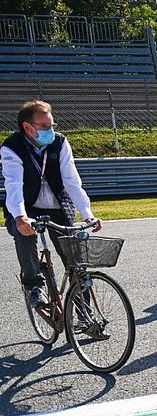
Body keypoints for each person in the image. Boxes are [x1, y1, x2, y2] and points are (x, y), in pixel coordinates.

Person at [2, 100, 102, 307]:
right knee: (24, 234)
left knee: (74, 259)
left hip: (58, 205)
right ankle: (34, 286)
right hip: (26, 207)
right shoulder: (12, 147)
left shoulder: (60, 142)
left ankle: (84, 311)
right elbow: (14, 185)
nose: (50, 130)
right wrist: (20, 216)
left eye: (52, 125)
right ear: (27, 127)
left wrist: (87, 213)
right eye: (45, 126)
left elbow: (72, 181)